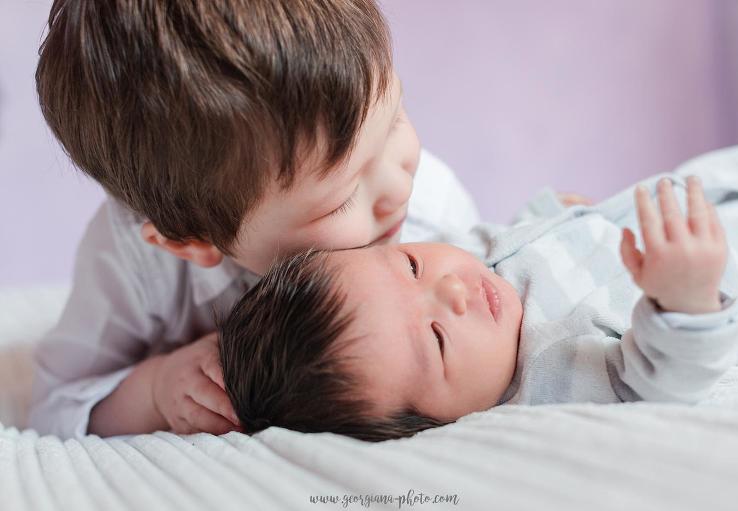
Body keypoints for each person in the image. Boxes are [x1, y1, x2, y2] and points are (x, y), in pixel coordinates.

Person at [29, 0, 489, 439]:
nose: (400, 187)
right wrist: (155, 388)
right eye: (340, 200)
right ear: (193, 243)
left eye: (394, 123)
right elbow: (56, 406)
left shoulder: (433, 207)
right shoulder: (133, 263)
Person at [219, 144, 738, 442]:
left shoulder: (470, 261)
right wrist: (685, 302)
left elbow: (511, 233)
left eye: (410, 266)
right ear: (432, 425)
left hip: (719, 188)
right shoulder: (550, 378)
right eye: (435, 340)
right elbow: (661, 381)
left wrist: (556, 212)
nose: (453, 290)